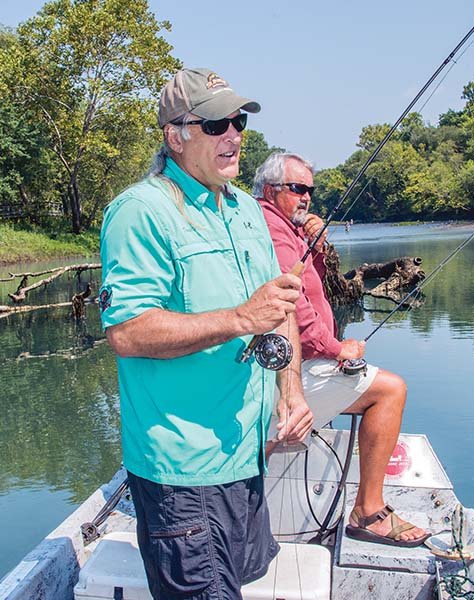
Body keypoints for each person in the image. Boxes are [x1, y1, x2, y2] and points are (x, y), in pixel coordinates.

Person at [99, 69, 313, 600]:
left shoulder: (243, 208)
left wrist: (292, 393)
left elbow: (279, 303)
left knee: (242, 581)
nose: (234, 134)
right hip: (181, 473)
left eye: (237, 120)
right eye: (216, 123)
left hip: (247, 455)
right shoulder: (141, 212)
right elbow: (128, 330)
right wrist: (241, 318)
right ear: (176, 135)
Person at [253, 152, 430, 547]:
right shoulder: (271, 230)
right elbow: (294, 309)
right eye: (297, 189)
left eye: (310, 192)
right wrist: (336, 348)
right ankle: (368, 512)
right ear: (270, 190)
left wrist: (314, 243)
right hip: (283, 374)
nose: (307, 199)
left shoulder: (283, 230)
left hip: (296, 362)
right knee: (390, 390)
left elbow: (318, 285)